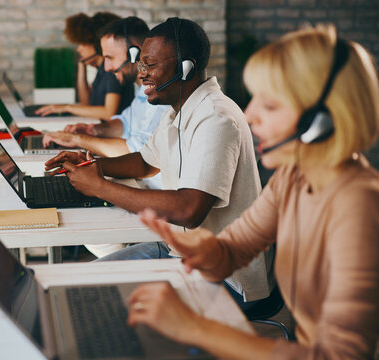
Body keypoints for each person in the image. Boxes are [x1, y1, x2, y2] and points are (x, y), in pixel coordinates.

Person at [128, 24, 379, 359]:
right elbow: (235, 249)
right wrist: (209, 251)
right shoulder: (293, 178)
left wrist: (195, 327)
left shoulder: (357, 206)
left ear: (321, 120)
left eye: (271, 106)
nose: (250, 115)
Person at [45, 18, 274, 304]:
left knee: (98, 297)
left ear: (185, 67)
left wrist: (100, 187)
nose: (142, 74)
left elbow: (189, 209)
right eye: (141, 65)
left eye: (150, 65)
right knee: (81, 283)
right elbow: (143, 162)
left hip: (223, 276)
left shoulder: (216, 117)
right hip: (180, 251)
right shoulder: (176, 112)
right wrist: (91, 165)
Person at [42, 17, 169, 163]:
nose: (107, 67)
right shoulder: (141, 90)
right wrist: (94, 130)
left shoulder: (161, 96)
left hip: (145, 183)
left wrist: (77, 139)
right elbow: (126, 123)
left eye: (110, 58)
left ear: (134, 54)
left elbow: (139, 153)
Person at [35, 12, 134, 120]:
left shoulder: (112, 72)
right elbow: (86, 103)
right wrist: (81, 67)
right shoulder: (101, 70)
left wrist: (67, 108)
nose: (78, 49)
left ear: (96, 44)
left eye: (82, 43)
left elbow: (109, 113)